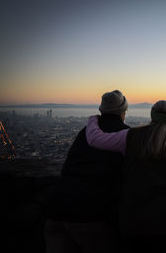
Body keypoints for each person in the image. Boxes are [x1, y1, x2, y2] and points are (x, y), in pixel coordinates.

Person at [85, 100, 166, 253]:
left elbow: (95, 139)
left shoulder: (132, 136)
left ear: (152, 114)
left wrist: (93, 119)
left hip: (134, 212)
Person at [45, 90, 130, 253]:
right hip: (91, 215)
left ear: (102, 110)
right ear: (123, 112)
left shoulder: (85, 132)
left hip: (57, 210)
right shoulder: (126, 135)